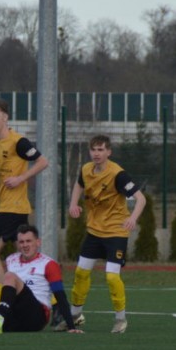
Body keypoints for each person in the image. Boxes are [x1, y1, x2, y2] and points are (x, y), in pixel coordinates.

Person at [59, 135, 146, 334]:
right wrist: (73, 204)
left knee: (112, 277)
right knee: (81, 273)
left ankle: (120, 319)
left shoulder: (118, 174)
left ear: (109, 152)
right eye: (93, 150)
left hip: (116, 232)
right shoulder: (86, 169)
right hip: (94, 231)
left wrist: (133, 218)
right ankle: (75, 316)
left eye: (101, 150)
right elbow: (79, 184)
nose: (96, 154)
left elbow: (141, 199)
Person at [0, 98, 49, 304]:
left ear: (5, 118)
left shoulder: (19, 142)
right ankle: (52, 303)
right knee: (26, 257)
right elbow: (7, 169)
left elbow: (43, 161)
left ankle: (1, 304)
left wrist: (21, 179)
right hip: (11, 207)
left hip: (11, 208)